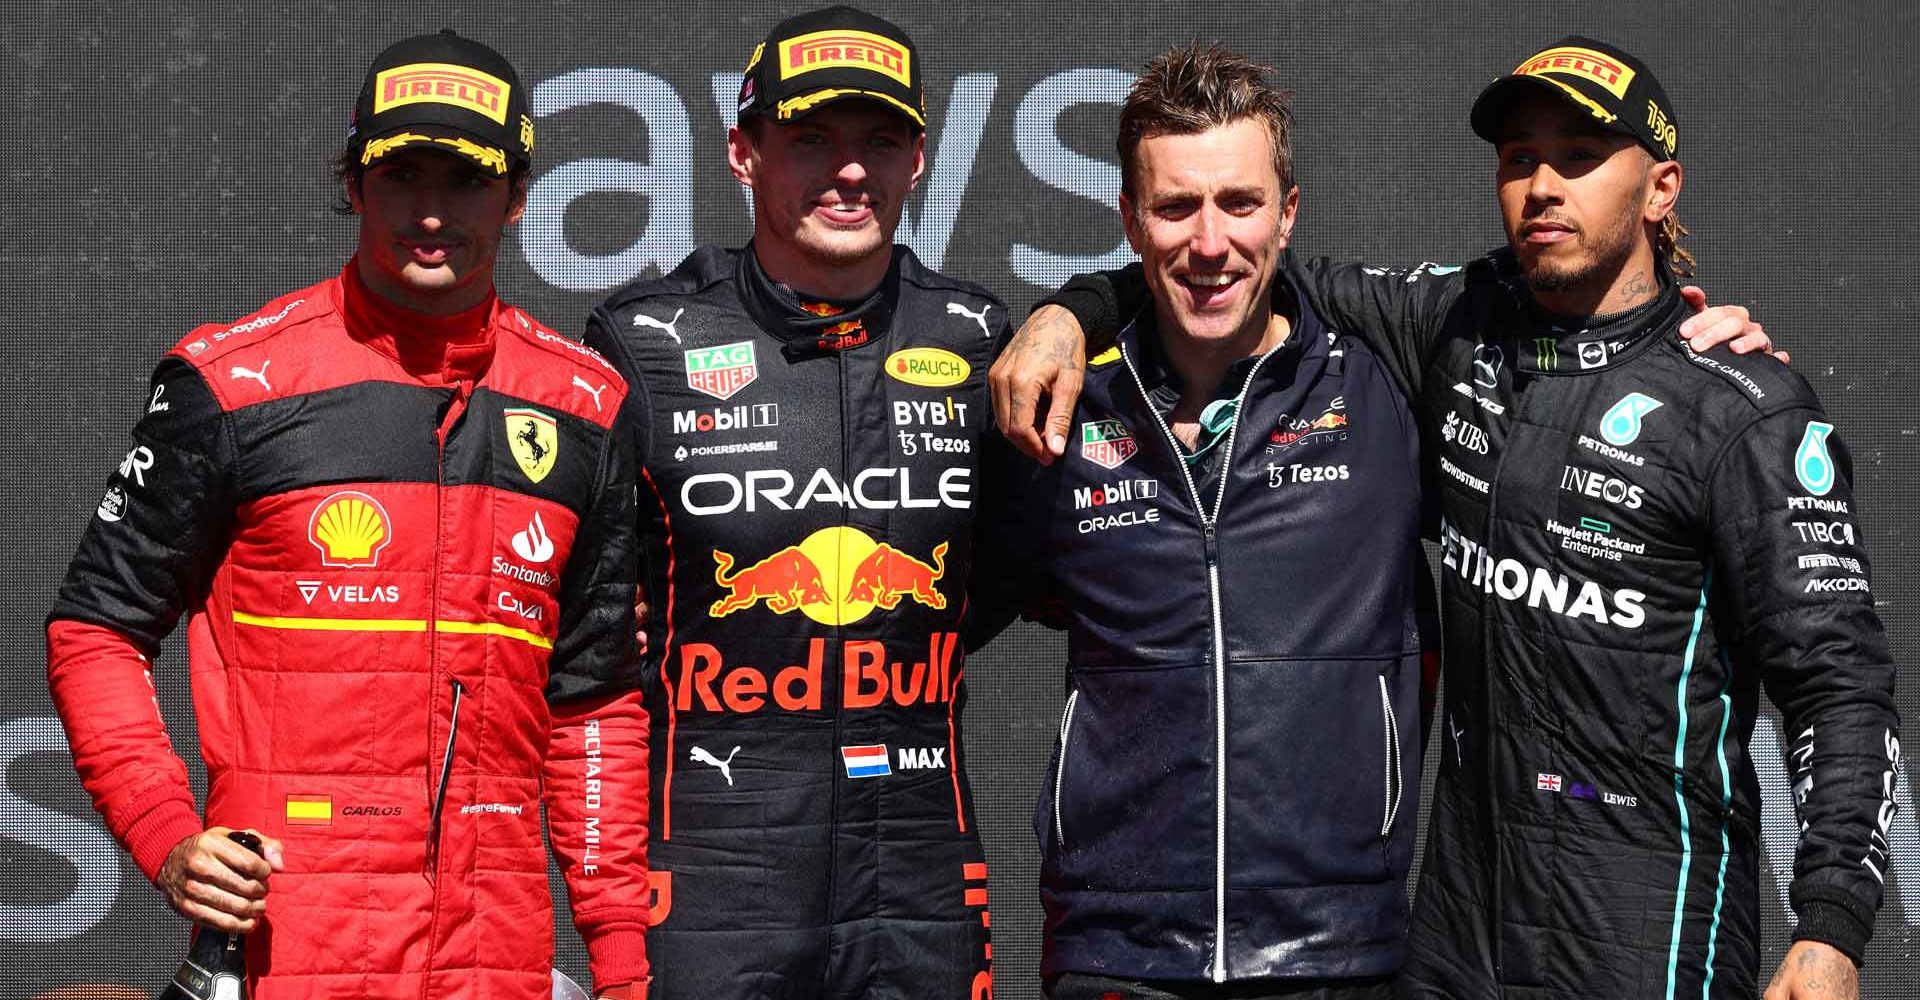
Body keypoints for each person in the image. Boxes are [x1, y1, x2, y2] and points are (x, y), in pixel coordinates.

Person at [996, 35, 1900, 1000]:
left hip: (1647, 921)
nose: (1545, 185)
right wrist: (1070, 313)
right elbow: (1219, 266)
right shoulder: (1451, 331)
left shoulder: (1743, 405)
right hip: (1457, 938)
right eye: (1520, 160)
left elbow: (1840, 685)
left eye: (1581, 158)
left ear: (1662, 187)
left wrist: (1831, 929)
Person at [45, 31, 650, 1000]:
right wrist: (166, 838)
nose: (431, 211)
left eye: (466, 179)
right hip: (295, 946)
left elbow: (595, 705)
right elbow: (94, 631)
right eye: (402, 173)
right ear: (354, 182)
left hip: (495, 954)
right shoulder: (231, 382)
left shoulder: (586, 408)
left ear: (519, 197)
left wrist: (620, 962)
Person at [975, 44, 1429, 1000]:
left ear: (1288, 213)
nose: (1211, 242)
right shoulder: (1068, 405)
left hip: (1337, 952)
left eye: (1240, 202)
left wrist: (1676, 337)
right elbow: (936, 612)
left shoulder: (1384, 387)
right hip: (1117, 950)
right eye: (1177, 207)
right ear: (1131, 222)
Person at [582, 7, 1002, 999]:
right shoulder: (645, 344)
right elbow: (584, 611)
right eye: (810, 137)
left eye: (879, 140)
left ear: (918, 160)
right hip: (716, 871)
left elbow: (1016, 571)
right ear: (743, 151)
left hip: (918, 867)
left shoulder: (982, 335)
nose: (848, 169)